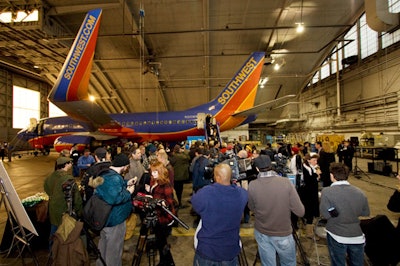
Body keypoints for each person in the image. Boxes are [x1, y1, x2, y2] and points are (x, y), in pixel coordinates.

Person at [248, 155, 305, 266]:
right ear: (271, 166)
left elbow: (251, 207)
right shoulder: (286, 182)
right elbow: (300, 211)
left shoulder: (252, 185)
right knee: (288, 263)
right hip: (282, 232)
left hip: (262, 232)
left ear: (257, 169)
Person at [191, 163, 248, 265]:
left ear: (217, 177)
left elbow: (195, 205)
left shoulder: (205, 193)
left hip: (207, 250)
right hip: (230, 249)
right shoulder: (242, 194)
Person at [320, 162, 370, 266]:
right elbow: (365, 212)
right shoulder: (360, 192)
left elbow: (325, 214)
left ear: (331, 176)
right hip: (356, 235)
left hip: (336, 234)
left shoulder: (327, 192)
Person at [91, 153, 135, 266]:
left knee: (104, 246)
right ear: (124, 166)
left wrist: (126, 183)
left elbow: (111, 189)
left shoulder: (106, 173)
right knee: (114, 252)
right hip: (115, 220)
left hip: (105, 219)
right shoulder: (114, 178)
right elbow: (115, 198)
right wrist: (129, 192)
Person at [44, 157, 83, 244]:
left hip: (53, 208)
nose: (71, 164)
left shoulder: (50, 176)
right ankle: (63, 253)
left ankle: (52, 251)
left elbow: (47, 189)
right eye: (70, 163)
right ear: (66, 164)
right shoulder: (68, 179)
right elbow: (76, 197)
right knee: (65, 233)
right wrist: (79, 211)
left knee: (53, 231)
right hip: (64, 209)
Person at [145, 161, 176, 266]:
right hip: (157, 215)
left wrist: (162, 202)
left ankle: (167, 262)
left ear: (160, 172)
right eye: (152, 172)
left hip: (163, 217)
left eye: (155, 172)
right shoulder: (154, 182)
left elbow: (170, 202)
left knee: (162, 242)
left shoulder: (165, 185)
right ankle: (165, 261)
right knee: (160, 241)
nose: (152, 174)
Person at [298, 154, 321, 238]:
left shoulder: (310, 168)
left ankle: (308, 228)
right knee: (309, 213)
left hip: (311, 194)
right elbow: (308, 181)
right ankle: (309, 232)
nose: (316, 162)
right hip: (307, 195)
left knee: (309, 214)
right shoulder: (305, 169)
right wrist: (316, 174)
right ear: (308, 160)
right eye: (314, 160)